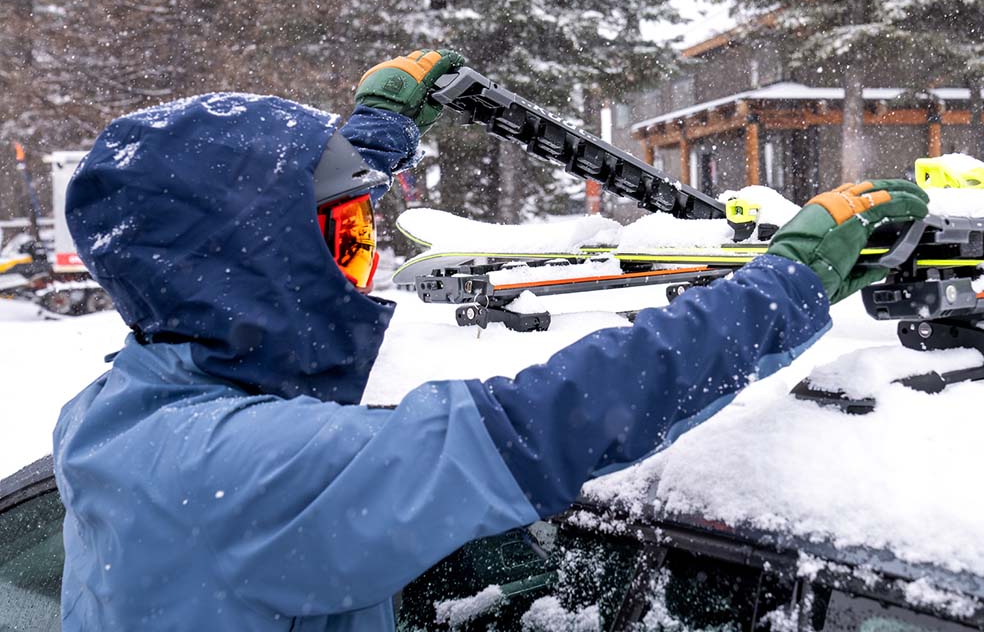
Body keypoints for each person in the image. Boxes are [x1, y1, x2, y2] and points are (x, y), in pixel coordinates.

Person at [53, 49, 928, 630]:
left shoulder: (126, 409)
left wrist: (378, 132)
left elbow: (258, 215)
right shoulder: (243, 469)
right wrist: (784, 287)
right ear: (244, 274)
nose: (363, 266)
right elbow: (545, 424)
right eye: (344, 243)